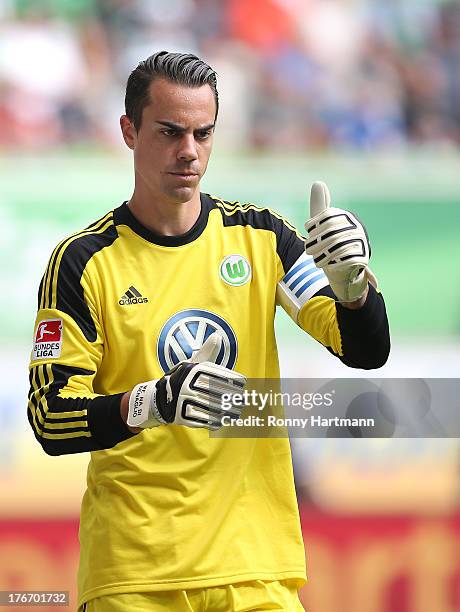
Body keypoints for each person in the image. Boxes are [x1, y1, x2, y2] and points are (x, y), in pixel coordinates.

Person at [27, 51, 390, 611]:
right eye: (170, 132)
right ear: (129, 130)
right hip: (134, 576)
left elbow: (366, 351)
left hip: (255, 570)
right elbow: (51, 418)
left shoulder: (262, 237)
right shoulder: (82, 262)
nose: (189, 151)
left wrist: (354, 291)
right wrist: (153, 402)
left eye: (203, 133)